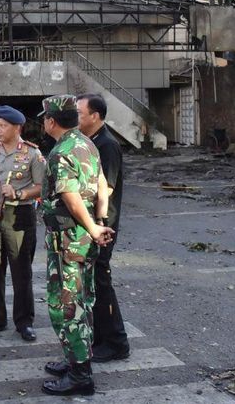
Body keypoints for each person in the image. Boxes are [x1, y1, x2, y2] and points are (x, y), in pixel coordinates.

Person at [38, 94, 115, 396]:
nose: (43, 122)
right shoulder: (88, 144)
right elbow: (102, 187)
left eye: (44, 118)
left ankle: (81, 375)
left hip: (68, 240)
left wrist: (94, 227)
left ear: (52, 121)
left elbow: (70, 198)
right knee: (84, 301)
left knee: (66, 306)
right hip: (84, 239)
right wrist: (100, 220)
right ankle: (75, 358)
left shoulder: (61, 152)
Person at [0, 105, 46, 341]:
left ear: (17, 127)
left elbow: (41, 187)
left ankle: (24, 322)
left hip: (21, 215)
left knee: (21, 270)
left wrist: (19, 194)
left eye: (3, 126)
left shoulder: (32, 154)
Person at [76, 93, 129, 362]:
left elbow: (104, 189)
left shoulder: (107, 145)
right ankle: (100, 338)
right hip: (93, 226)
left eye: (80, 113)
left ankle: (117, 342)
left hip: (102, 227)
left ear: (94, 116)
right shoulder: (91, 141)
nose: (76, 118)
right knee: (94, 285)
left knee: (102, 283)